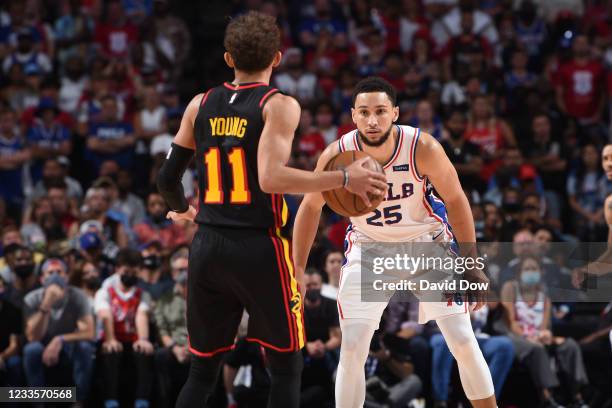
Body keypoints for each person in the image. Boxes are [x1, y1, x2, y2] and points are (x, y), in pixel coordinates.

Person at [155, 12, 386, 408]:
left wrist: (183, 210)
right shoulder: (277, 105)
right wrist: (344, 179)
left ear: (228, 59)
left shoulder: (200, 103)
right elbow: (270, 179)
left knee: (201, 373)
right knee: (285, 369)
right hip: (260, 248)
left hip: (208, 245)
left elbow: (166, 179)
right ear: (277, 58)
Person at [293, 76, 497, 408]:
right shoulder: (338, 154)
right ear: (353, 116)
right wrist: (298, 269)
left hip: (427, 244)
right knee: (354, 346)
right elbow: (310, 208)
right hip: (369, 248)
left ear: (396, 113)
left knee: (461, 338)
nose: (372, 120)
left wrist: (470, 263)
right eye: (364, 112)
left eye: (380, 111)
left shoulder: (422, 147)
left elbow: (457, 201)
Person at [501, 255, 589, 408]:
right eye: (527, 269)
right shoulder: (510, 288)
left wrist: (545, 335)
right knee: (537, 349)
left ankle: (577, 397)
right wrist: (528, 337)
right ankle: (547, 398)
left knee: (570, 345)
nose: (531, 272)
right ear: (519, 272)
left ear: (541, 272)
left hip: (536, 337)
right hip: (514, 337)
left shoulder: (544, 296)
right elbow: (510, 322)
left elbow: (544, 326)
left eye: (534, 269)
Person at [23, 257, 95, 402]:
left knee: (85, 347)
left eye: (59, 272)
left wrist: (59, 339)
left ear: (66, 277)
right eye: (50, 273)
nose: (55, 276)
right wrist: (46, 304)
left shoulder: (78, 296)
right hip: (42, 344)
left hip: (68, 345)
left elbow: (89, 333)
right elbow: (32, 337)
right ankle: (40, 402)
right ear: (42, 279)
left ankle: (78, 401)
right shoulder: (31, 298)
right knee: (32, 349)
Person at [94, 248, 154, 408]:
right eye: (127, 271)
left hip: (131, 340)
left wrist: (143, 340)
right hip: (111, 337)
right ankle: (110, 401)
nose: (130, 275)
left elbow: (141, 316)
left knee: (143, 350)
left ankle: (142, 402)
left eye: (135, 272)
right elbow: (105, 315)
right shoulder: (105, 292)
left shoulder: (143, 294)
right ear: (117, 270)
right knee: (111, 351)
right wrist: (110, 339)